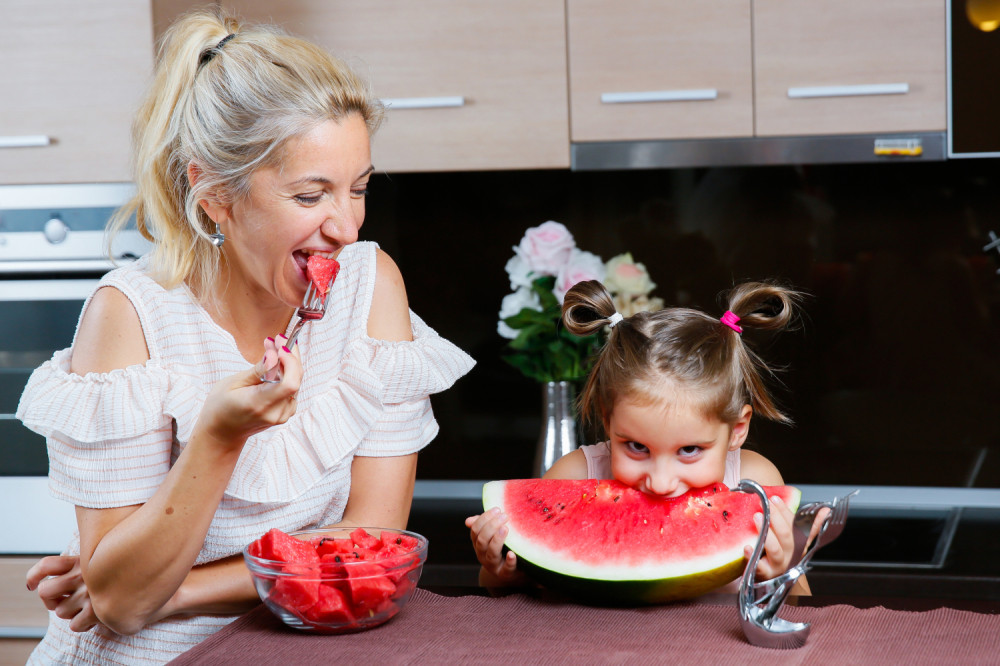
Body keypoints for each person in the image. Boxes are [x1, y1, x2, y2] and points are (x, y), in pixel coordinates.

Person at [17, 7, 474, 664]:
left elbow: (372, 541)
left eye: (358, 189)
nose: (346, 226)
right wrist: (219, 436)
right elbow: (119, 607)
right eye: (311, 195)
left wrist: (176, 590)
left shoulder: (368, 285)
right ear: (216, 194)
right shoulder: (131, 317)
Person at [467, 279, 800, 590]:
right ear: (607, 418)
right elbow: (528, 584)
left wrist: (779, 574)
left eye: (689, 450)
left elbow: (803, 601)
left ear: (737, 431)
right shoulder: (574, 475)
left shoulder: (757, 483)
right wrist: (499, 570)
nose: (661, 482)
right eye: (637, 447)